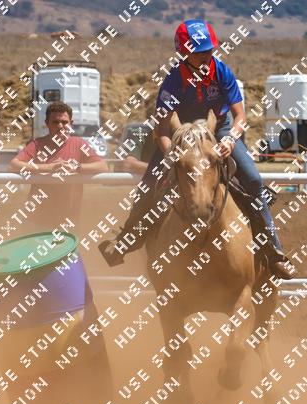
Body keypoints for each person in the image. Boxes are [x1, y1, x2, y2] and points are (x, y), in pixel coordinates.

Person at [99, 19, 295, 279]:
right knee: (149, 186)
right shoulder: (173, 81)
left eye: (209, 50)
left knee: (253, 180)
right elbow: (162, 129)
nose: (206, 55)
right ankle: (125, 240)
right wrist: (171, 154)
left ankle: (273, 252)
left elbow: (240, 117)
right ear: (184, 53)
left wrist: (230, 140)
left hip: (220, 129)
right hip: (180, 134)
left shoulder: (222, 71)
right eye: (200, 52)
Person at [9, 101, 108, 226]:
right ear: (47, 124)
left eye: (65, 122)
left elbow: (103, 166)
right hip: (37, 219)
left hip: (69, 221)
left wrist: (76, 167)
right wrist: (48, 168)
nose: (60, 126)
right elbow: (14, 164)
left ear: (71, 124)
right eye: (55, 122)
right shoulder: (37, 144)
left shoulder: (79, 144)